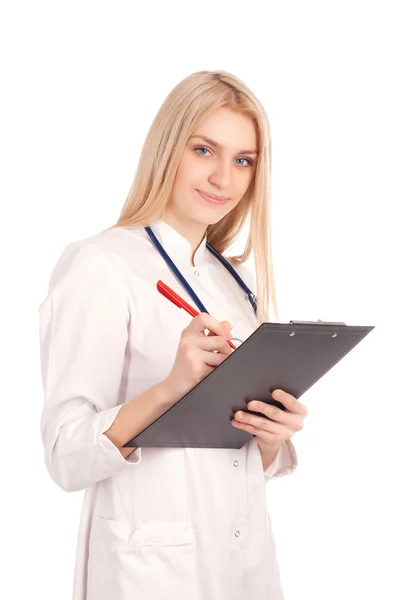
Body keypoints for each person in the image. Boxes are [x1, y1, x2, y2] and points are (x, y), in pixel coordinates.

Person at [39, 70, 308, 600]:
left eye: (243, 160)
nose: (223, 179)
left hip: (247, 563)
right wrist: (169, 388)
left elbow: (240, 456)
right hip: (150, 571)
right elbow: (65, 456)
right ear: (168, 149)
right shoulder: (100, 264)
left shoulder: (237, 284)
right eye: (204, 149)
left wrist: (273, 436)